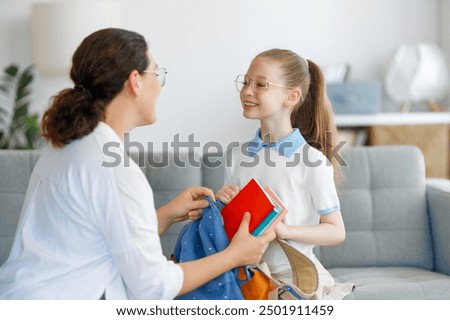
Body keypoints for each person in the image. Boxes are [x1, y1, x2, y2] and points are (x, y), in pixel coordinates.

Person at [0, 28, 274, 300]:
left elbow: (93, 243)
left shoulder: (66, 146)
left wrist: (165, 214)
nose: (159, 86)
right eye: (156, 73)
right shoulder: (116, 171)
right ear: (135, 81)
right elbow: (154, 286)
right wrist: (232, 256)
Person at [215, 49, 354, 299]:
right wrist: (222, 206)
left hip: (294, 278)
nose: (247, 91)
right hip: (247, 277)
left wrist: (287, 231)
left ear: (292, 96)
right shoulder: (238, 157)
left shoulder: (312, 161)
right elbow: (231, 231)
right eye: (246, 82)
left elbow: (336, 231)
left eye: (260, 84)